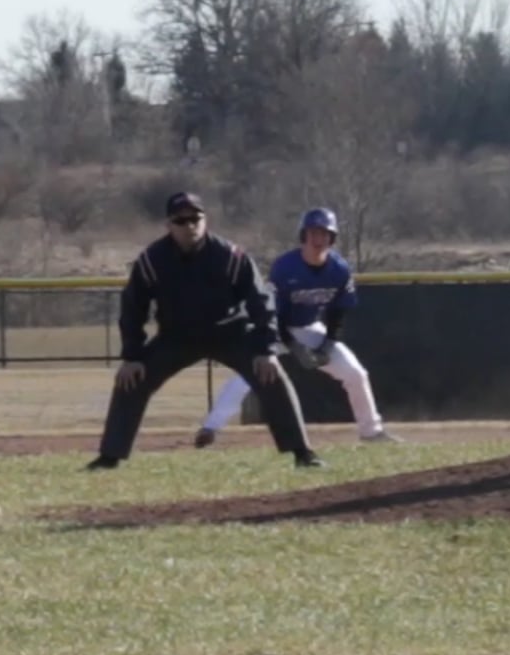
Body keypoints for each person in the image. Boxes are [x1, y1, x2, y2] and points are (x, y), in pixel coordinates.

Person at [89, 193, 323, 470]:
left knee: (272, 375)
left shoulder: (230, 256)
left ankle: (303, 453)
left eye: (195, 218)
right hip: (176, 336)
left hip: (230, 332)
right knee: (131, 380)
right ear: (169, 224)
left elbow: (261, 301)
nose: (189, 225)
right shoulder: (152, 260)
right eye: (181, 219)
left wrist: (265, 349)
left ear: (205, 220)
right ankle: (109, 457)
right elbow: (133, 308)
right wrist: (132, 356)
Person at [194, 208, 400, 447]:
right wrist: (293, 347)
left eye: (324, 234)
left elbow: (337, 312)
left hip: (310, 328)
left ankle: (371, 432)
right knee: (247, 375)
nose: (318, 239)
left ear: (332, 239)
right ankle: (211, 427)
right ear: (303, 235)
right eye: (313, 233)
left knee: (356, 373)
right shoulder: (285, 267)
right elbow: (272, 313)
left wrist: (327, 345)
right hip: (274, 327)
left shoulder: (340, 269)